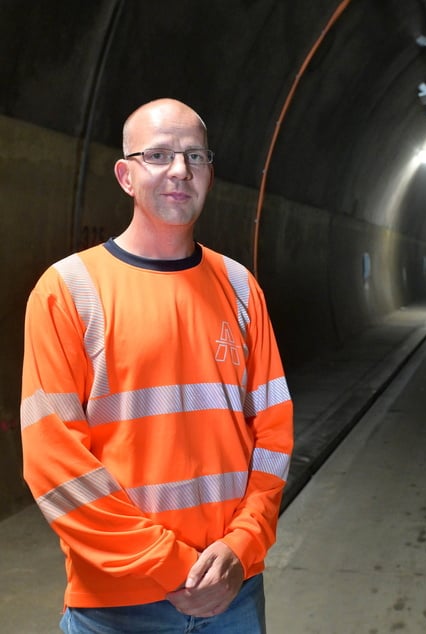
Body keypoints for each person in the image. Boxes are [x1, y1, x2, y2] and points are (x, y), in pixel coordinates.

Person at [19, 98, 294, 633]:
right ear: (126, 175)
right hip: (117, 602)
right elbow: (53, 460)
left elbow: (275, 436)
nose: (179, 171)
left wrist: (242, 545)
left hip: (234, 590)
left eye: (195, 157)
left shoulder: (240, 289)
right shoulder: (68, 291)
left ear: (210, 174)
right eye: (158, 155)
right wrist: (171, 567)